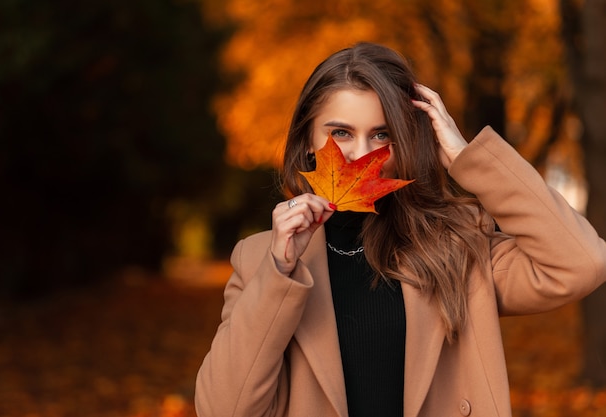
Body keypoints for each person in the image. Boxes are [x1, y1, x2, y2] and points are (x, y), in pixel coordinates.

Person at [194, 42, 606, 417]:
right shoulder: (259, 261)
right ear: (306, 140)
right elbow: (222, 410)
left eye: (382, 135)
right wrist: (279, 273)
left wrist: (467, 158)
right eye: (340, 133)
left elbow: (583, 262)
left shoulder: (455, 246)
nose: (361, 155)